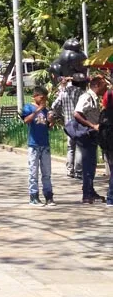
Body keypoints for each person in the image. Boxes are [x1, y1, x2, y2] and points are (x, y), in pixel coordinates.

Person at [73, 74, 109, 204]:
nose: (106, 88)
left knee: (91, 165)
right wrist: (92, 125)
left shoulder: (93, 98)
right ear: (97, 85)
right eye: (104, 85)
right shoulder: (86, 97)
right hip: (86, 135)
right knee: (88, 165)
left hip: (92, 135)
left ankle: (90, 191)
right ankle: (87, 194)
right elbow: (76, 113)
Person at [22, 86, 55, 206]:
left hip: (44, 144)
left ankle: (49, 195)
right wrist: (37, 110)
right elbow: (26, 120)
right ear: (35, 96)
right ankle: (34, 196)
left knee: (47, 172)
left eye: (45, 98)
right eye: (42, 98)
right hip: (34, 144)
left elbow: (48, 126)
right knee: (33, 171)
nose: (43, 100)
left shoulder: (46, 110)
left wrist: (51, 121)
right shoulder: (29, 107)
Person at [51, 76, 85, 179]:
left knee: (70, 147)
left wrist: (60, 115)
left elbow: (54, 105)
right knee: (79, 146)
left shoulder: (63, 92)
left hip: (68, 123)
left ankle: (70, 170)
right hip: (79, 122)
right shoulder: (81, 92)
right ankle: (79, 172)